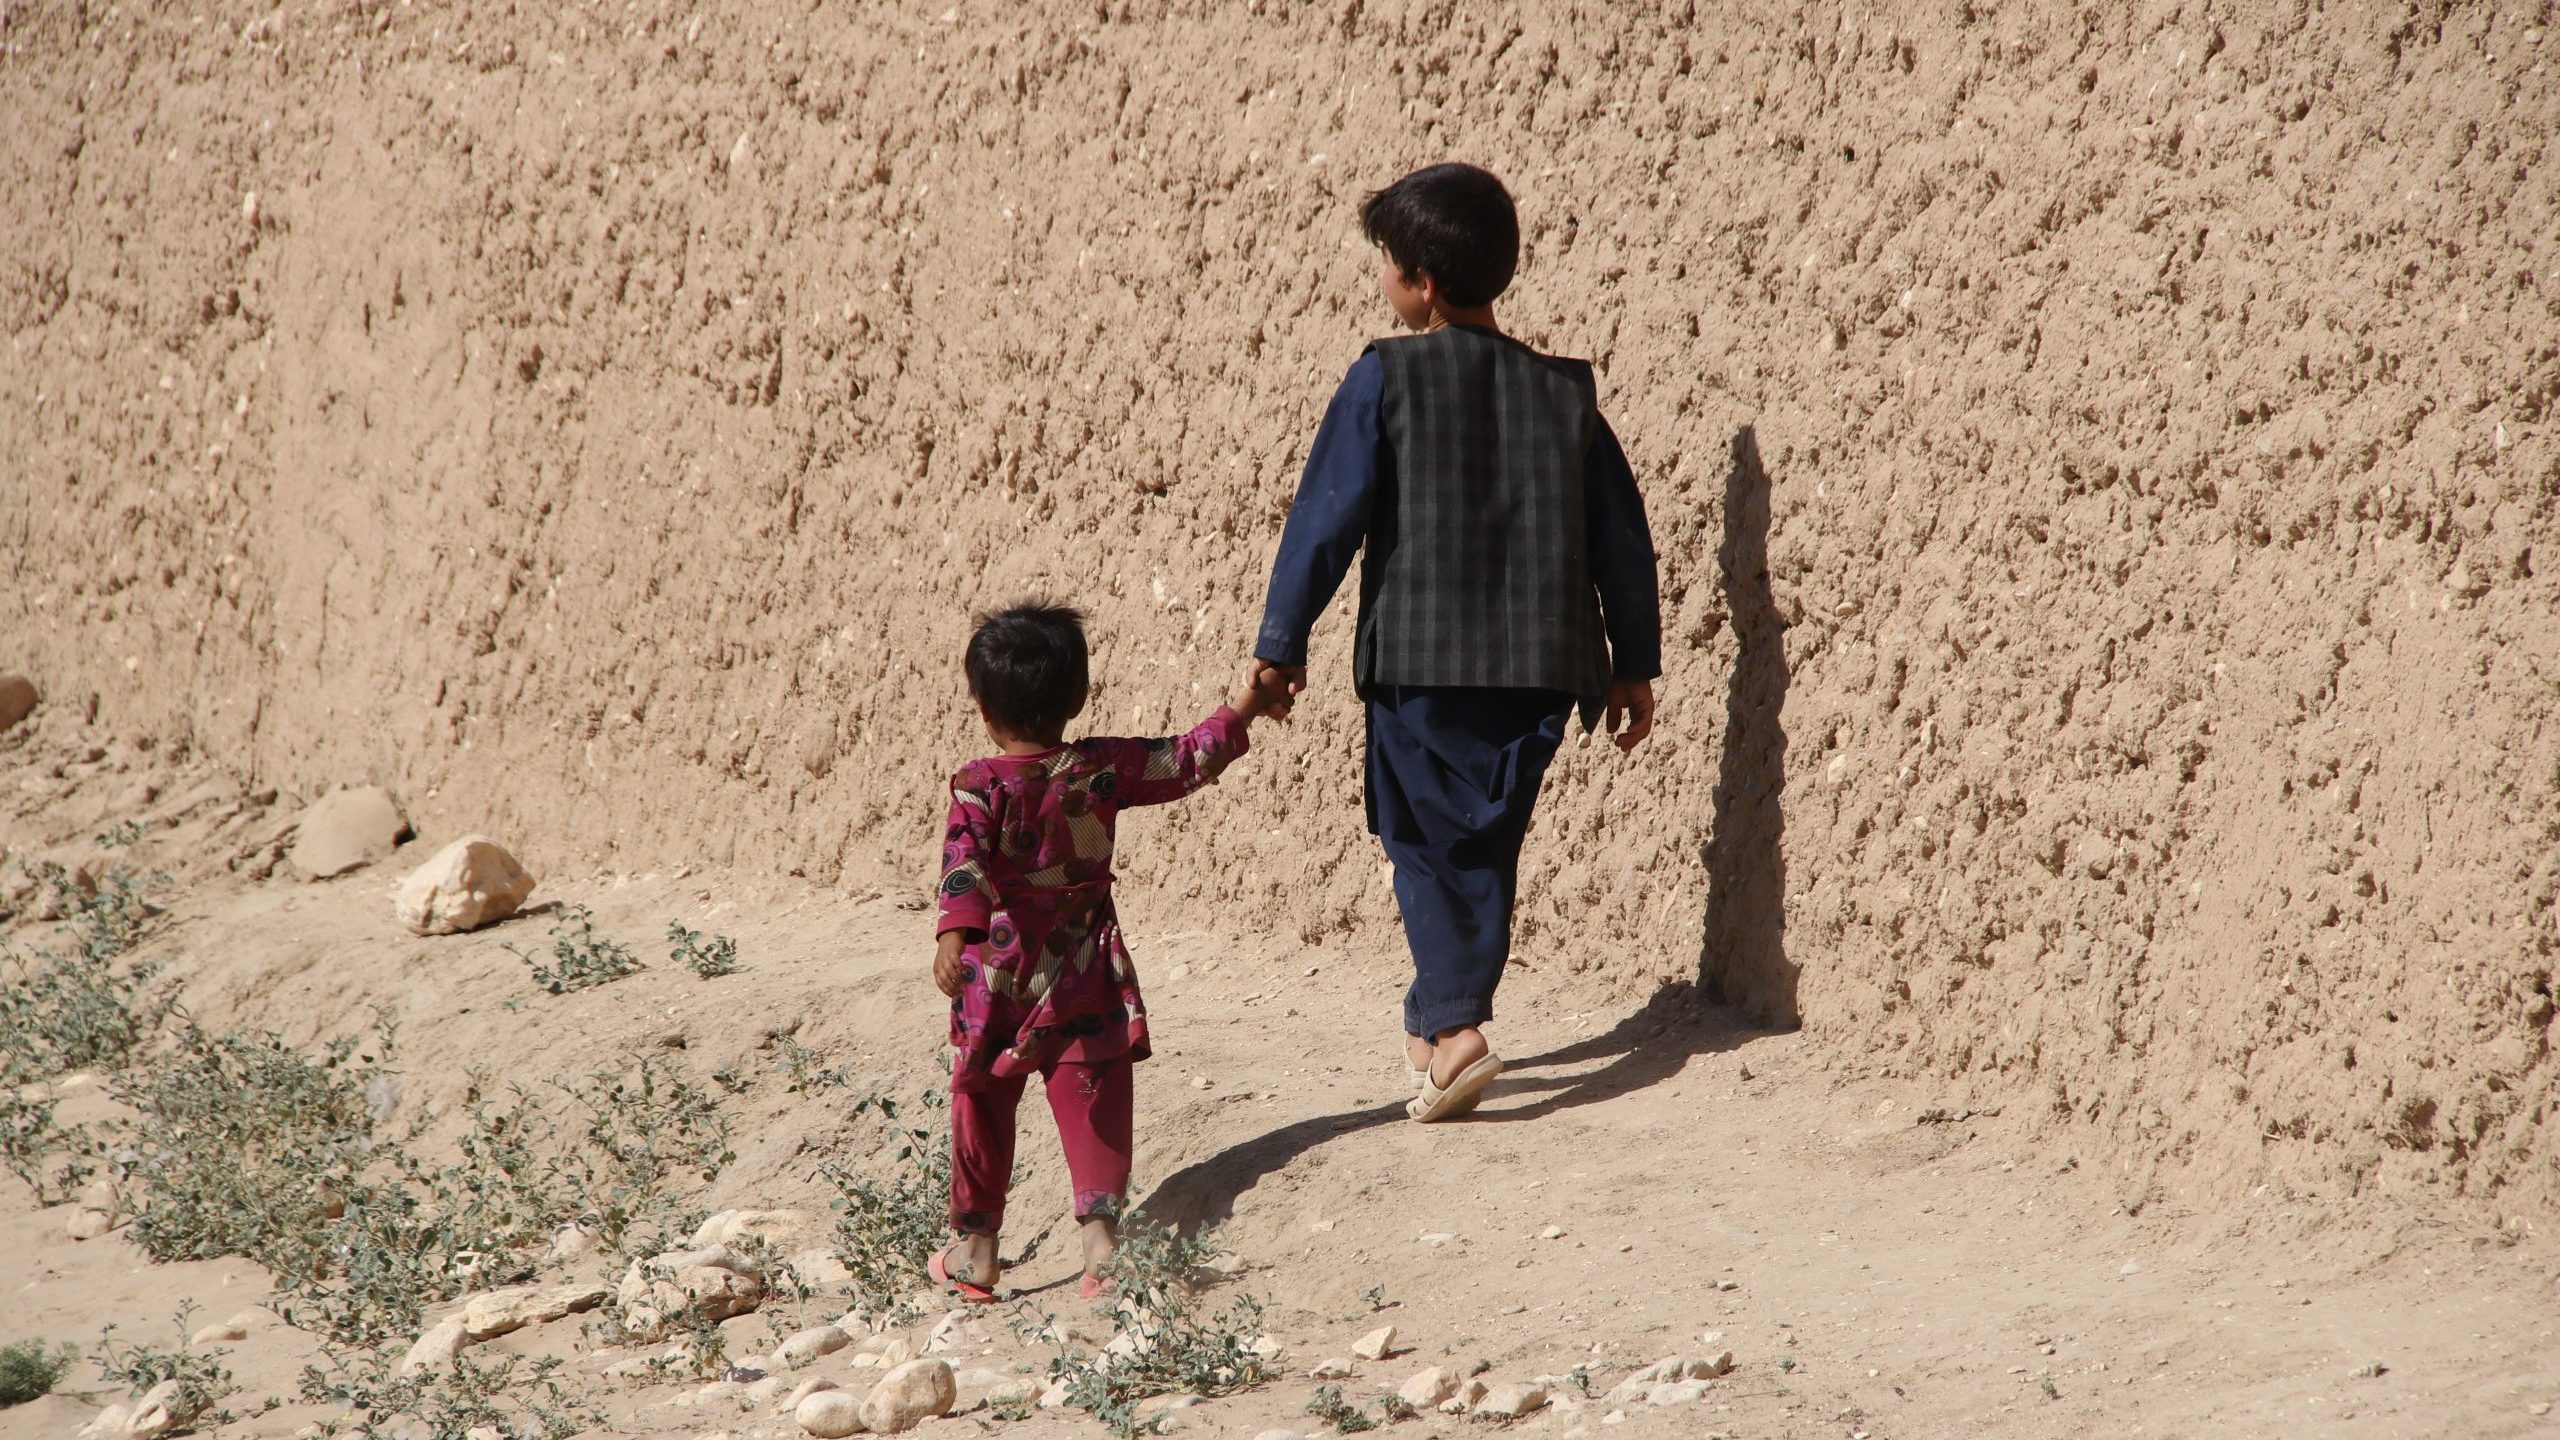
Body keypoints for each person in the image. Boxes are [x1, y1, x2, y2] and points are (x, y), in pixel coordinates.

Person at [1253, 161, 1663, 1124]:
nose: (1383, 283)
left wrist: (1282, 640)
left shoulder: (1383, 378)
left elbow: (1325, 521)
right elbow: (1621, 535)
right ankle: (1432, 1016)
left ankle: (1461, 1024)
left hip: (1421, 661)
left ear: (1421, 281)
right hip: (1541, 667)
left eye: (1387, 265)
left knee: (1421, 840)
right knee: (1478, 839)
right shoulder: (1564, 395)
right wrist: (1633, 661)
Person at [929, 601, 1289, 1302]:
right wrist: (1247, 701)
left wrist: (953, 934)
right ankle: (1101, 1248)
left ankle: (975, 1251)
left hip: (994, 980)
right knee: (1093, 1093)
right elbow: (1186, 760)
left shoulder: (981, 785)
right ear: (1077, 696)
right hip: (1082, 967)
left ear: (981, 706)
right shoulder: (1099, 769)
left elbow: (963, 864)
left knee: (981, 1099)